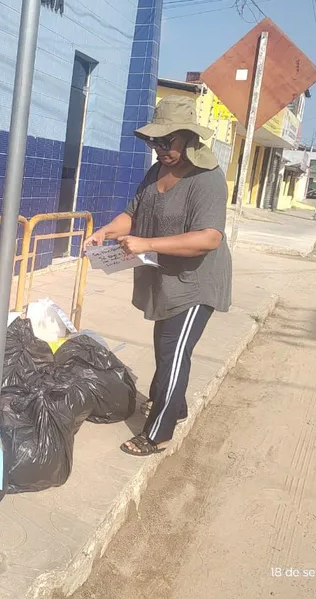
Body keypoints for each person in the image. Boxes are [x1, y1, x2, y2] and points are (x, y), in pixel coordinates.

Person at [83, 96, 232, 456]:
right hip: (165, 279)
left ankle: (159, 432)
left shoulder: (207, 180)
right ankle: (175, 405)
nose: (161, 149)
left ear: (188, 138)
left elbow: (209, 238)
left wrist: (147, 242)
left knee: (174, 352)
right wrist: (107, 231)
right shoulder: (155, 173)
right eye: (155, 142)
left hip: (198, 282)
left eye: (168, 142)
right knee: (166, 348)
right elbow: (132, 214)